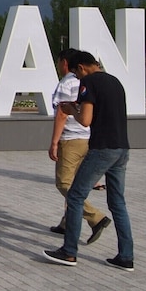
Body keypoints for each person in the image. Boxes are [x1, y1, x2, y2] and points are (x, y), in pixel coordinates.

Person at [43, 50, 135, 271]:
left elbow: (85, 120)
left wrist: (71, 109)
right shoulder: (115, 82)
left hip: (102, 148)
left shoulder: (89, 83)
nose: (77, 77)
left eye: (77, 73)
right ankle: (126, 256)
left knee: (75, 195)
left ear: (82, 68)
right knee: (117, 203)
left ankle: (69, 252)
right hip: (122, 148)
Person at [47, 49, 111, 242]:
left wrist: (54, 143)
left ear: (65, 63)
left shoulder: (66, 83)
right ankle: (68, 222)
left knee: (64, 183)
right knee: (75, 182)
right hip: (87, 138)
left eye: (59, 62)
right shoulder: (88, 83)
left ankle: (96, 218)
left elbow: (62, 114)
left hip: (71, 139)